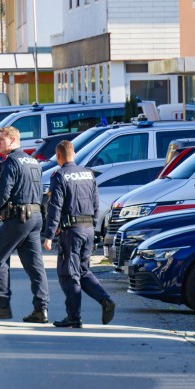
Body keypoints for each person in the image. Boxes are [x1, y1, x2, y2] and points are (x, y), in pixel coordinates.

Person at [43, 140, 115, 328]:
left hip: (71, 232)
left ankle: (73, 317)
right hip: (88, 229)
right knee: (83, 271)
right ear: (73, 154)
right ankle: (105, 300)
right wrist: (92, 226)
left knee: (69, 274)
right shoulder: (88, 174)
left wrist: (49, 235)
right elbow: (96, 203)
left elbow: (55, 207)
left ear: (58, 156)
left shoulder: (59, 175)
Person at [0, 126, 49, 323]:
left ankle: (3, 305)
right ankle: (41, 309)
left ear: (12, 140)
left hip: (18, 218)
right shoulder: (34, 162)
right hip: (35, 217)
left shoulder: (11, 162)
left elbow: (3, 192)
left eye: (1, 139)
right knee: (35, 266)